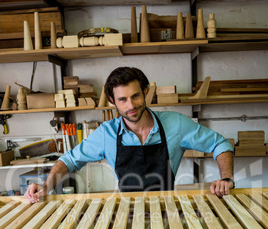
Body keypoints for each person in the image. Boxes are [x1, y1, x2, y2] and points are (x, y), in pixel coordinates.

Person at [24, 66, 234, 203]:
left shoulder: (176, 124)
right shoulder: (107, 133)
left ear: (145, 92)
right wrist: (45, 186)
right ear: (113, 101)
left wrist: (225, 177)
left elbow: (221, 144)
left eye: (135, 96)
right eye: (122, 99)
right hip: (127, 213)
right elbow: (69, 160)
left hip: (167, 211)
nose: (131, 106)